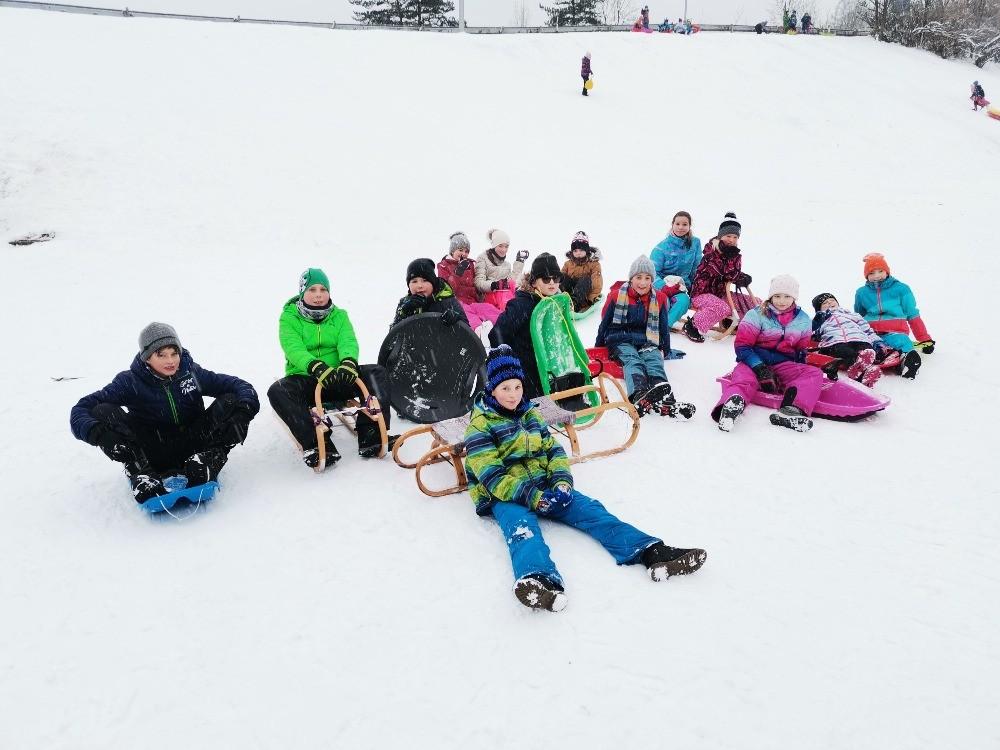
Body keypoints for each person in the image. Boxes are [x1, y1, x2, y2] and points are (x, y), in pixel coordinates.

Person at [464, 345, 708, 612]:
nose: (513, 395)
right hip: (504, 492)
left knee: (592, 511)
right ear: (492, 389)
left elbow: (553, 450)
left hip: (544, 483)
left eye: (517, 387)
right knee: (522, 529)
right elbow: (491, 475)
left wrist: (561, 483)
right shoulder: (480, 425)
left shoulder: (530, 414)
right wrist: (533, 497)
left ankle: (650, 551)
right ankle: (539, 579)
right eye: (505, 389)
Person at [70, 322, 259, 502]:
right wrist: (98, 434)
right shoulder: (129, 382)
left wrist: (243, 414)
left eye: (174, 353)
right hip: (151, 451)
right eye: (161, 355)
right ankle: (140, 472)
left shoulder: (191, 373)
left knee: (231, 401)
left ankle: (208, 460)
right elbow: (82, 408)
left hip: (194, 444)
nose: (170, 361)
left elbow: (241, 386)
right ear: (147, 357)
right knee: (102, 410)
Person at [268, 268, 392, 468]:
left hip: (339, 376)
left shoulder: (339, 316)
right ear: (302, 293)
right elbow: (293, 347)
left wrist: (348, 363)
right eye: (312, 290)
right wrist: (315, 366)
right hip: (308, 379)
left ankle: (373, 433)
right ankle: (316, 444)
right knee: (278, 391)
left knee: (376, 373)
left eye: (323, 290)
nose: (318, 295)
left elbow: (347, 341)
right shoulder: (289, 318)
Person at [712, 275, 823, 433]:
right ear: (771, 296)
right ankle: (731, 406)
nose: (781, 301)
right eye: (777, 296)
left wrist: (798, 373)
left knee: (813, 373)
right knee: (744, 377)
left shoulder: (803, 320)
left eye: (787, 296)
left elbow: (801, 351)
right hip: (753, 361)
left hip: (783, 364)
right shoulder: (756, 314)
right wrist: (759, 367)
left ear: (794, 297)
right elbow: (742, 345)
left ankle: (791, 411)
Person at [596, 256, 694, 418]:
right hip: (620, 338)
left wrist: (665, 349)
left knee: (654, 359)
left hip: (647, 338)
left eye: (647, 278)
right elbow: (605, 323)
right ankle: (639, 394)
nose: (642, 283)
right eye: (638, 277)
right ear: (631, 278)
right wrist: (599, 346)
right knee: (633, 360)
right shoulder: (616, 296)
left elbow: (663, 327)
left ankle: (663, 394)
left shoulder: (660, 298)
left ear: (652, 280)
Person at [489, 253, 563, 400]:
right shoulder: (523, 304)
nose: (552, 283)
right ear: (534, 282)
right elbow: (496, 333)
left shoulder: (553, 303)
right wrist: (509, 364)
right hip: (526, 369)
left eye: (556, 278)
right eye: (546, 279)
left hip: (544, 365)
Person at [853, 253, 933, 379]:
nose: (876, 276)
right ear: (866, 275)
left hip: (894, 332)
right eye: (872, 273)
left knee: (903, 343)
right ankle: (862, 367)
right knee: (863, 348)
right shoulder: (861, 293)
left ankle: (905, 364)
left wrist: (924, 339)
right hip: (871, 333)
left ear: (887, 271)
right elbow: (859, 316)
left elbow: (912, 315)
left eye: (880, 271)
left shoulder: (901, 289)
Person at [687, 212, 755, 340]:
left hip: (720, 294)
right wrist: (734, 270)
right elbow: (721, 271)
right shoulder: (711, 251)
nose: (732, 240)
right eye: (728, 236)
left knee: (753, 302)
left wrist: (743, 277)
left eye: (735, 237)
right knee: (722, 307)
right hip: (701, 294)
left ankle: (738, 323)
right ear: (721, 235)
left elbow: (734, 273)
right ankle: (693, 325)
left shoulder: (735, 254)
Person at [810, 292, 888, 387]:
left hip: (858, 338)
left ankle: (862, 366)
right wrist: (816, 323)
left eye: (832, 300)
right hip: (834, 342)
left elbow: (867, 330)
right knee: (845, 352)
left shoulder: (853, 315)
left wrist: (877, 341)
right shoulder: (819, 319)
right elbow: (811, 335)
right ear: (819, 309)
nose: (830, 303)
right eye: (825, 303)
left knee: (867, 349)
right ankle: (859, 369)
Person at [650, 210, 703, 338]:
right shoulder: (661, 248)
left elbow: (697, 268)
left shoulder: (695, 243)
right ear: (672, 224)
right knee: (663, 301)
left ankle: (664, 327)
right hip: (662, 286)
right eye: (677, 224)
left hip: (682, 287)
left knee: (683, 301)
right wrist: (664, 287)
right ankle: (652, 325)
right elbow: (652, 272)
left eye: (684, 224)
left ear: (689, 226)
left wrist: (695, 288)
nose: (680, 227)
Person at [437, 231, 502, 333]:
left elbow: (480, 279)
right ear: (452, 251)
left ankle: (503, 326)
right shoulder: (444, 265)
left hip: (473, 301)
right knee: (467, 314)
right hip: (457, 303)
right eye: (460, 250)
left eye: (467, 251)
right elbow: (446, 288)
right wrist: (457, 273)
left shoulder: (471, 264)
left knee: (488, 309)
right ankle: (478, 332)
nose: (464, 254)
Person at [392, 258, 469, 328]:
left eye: (425, 280)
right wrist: (403, 313)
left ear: (433, 283)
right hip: (416, 342)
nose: (419, 286)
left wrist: (457, 321)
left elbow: (468, 333)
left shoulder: (448, 301)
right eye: (414, 281)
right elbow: (393, 337)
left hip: (443, 342)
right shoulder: (405, 303)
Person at [475, 228, 529, 307]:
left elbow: (511, 283)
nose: (504, 250)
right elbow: (478, 283)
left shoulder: (506, 265)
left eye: (506, 246)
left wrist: (519, 262)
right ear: (494, 245)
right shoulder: (482, 258)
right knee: (510, 303)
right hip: (487, 298)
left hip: (504, 298)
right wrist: (494, 285)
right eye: (500, 246)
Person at [560, 231, 603, 313]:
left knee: (585, 279)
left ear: (587, 250)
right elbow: (559, 280)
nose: (578, 253)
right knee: (562, 276)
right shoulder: (568, 264)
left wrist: (591, 298)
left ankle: (575, 303)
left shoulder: (594, 264)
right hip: (570, 292)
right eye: (575, 251)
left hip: (584, 295)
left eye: (581, 250)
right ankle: (563, 300)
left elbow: (597, 282)